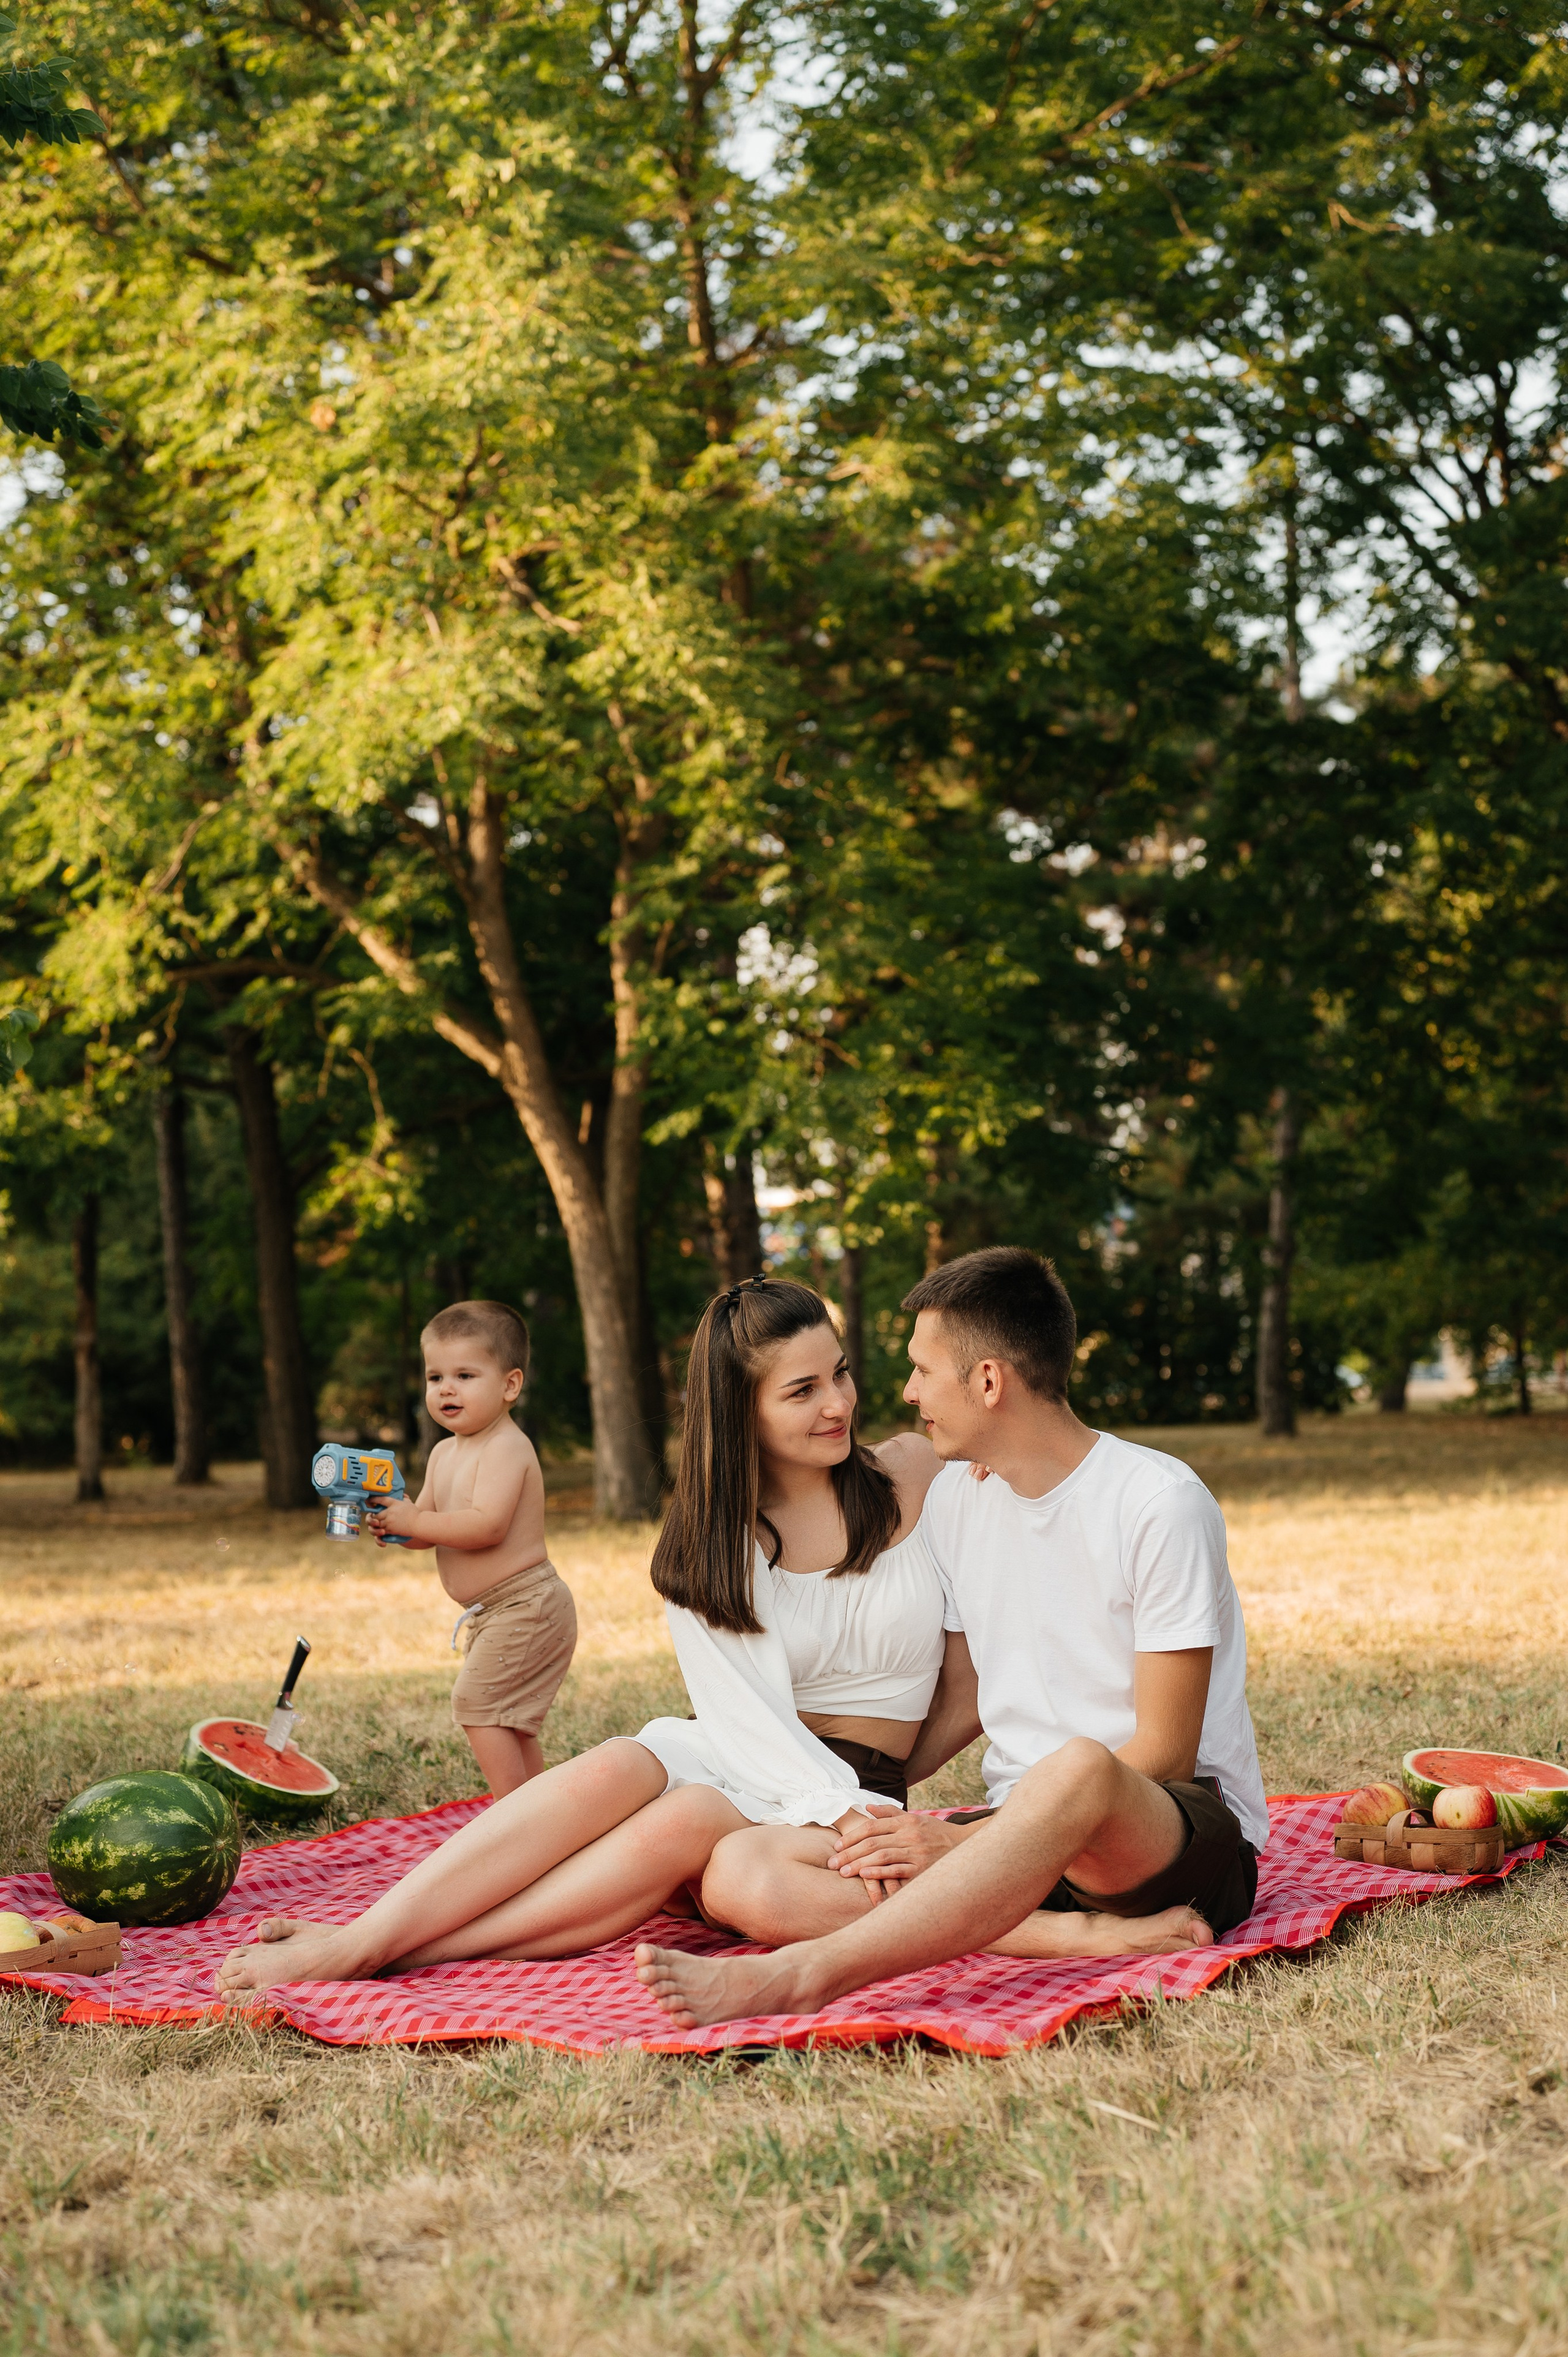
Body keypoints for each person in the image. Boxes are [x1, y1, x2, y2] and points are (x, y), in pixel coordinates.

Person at [215, 1277, 950, 1993]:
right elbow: (743, 1713)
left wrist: (864, 1809)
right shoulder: (711, 1540)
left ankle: (383, 1949)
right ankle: (369, 1936)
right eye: (802, 1390)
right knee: (620, 1761)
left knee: (688, 1813)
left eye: (839, 1374)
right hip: (738, 1744)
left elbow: (982, 1653)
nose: (838, 1403)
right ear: (740, 1411)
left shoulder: (914, 1472)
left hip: (840, 1784)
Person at [634, 1245, 1268, 2029]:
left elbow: (1166, 1750)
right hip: (1024, 1841)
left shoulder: (1157, 1502)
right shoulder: (961, 1505)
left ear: (989, 1381)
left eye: (923, 1370)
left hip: (1165, 1832)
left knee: (1074, 1767)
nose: (902, 1393)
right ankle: (1066, 1938)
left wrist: (964, 1847)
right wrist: (859, 1803)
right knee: (740, 1869)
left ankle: (805, 1974)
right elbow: (965, 1688)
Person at [366, 1299, 576, 1798]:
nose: (446, 1389)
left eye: (465, 1374)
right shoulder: (444, 1452)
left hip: (528, 1605)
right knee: (507, 1721)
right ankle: (540, 1814)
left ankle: (513, 1817)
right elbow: (431, 1530)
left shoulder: (507, 1446)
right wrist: (398, 1525)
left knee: (477, 1705)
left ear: (510, 1385)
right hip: (493, 1613)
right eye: (435, 1377)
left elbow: (487, 1527)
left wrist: (419, 1517)